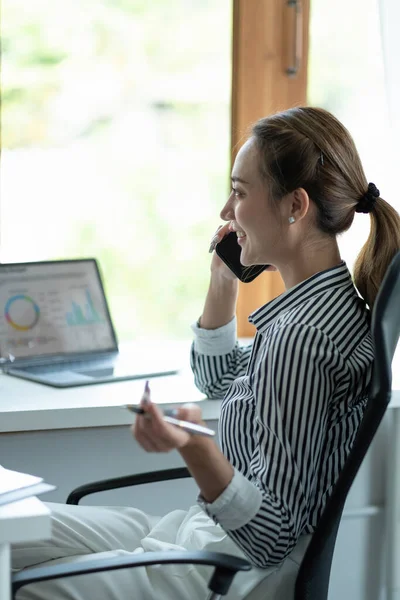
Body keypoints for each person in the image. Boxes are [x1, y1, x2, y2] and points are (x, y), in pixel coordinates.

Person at [12, 106, 400, 600]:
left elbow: (271, 536)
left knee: (27, 584)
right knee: (19, 527)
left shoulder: (302, 338)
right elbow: (219, 380)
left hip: (230, 568)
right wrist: (222, 279)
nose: (225, 211)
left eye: (239, 193)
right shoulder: (325, 307)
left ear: (295, 207)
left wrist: (194, 447)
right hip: (202, 534)